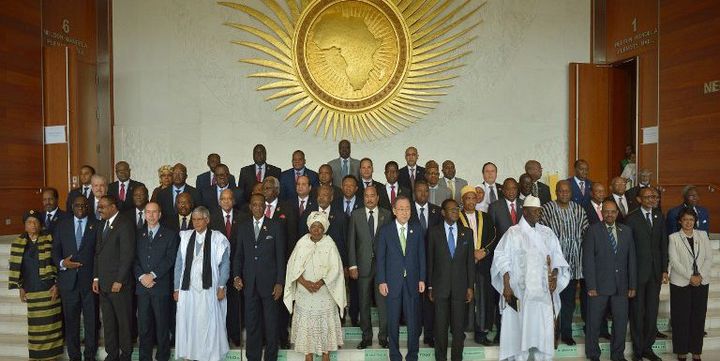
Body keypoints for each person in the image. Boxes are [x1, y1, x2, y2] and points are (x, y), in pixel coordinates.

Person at [490, 195, 570, 361]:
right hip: (520, 291)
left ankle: (543, 357)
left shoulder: (547, 232)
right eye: (534, 211)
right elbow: (501, 258)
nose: (537, 214)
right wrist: (506, 285)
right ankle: (520, 357)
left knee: (543, 327)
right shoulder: (513, 233)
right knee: (520, 329)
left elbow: (557, 257)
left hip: (542, 291)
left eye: (539, 211)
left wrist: (555, 276)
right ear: (524, 211)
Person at [284, 211, 346, 361]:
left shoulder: (330, 244)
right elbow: (292, 267)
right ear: (309, 228)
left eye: (319, 227)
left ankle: (326, 355)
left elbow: (336, 268)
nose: (316, 230)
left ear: (324, 228)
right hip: (305, 294)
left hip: (324, 293)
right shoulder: (302, 243)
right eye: (313, 226)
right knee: (308, 327)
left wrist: (320, 283)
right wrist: (305, 283)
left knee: (325, 325)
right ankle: (308, 355)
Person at [173, 206, 231, 361]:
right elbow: (179, 263)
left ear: (207, 220)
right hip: (188, 289)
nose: (197, 222)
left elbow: (225, 264)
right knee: (189, 322)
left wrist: (221, 286)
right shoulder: (185, 237)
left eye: (200, 219)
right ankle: (190, 355)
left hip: (209, 289)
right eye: (194, 219)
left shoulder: (218, 238)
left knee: (208, 323)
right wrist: (176, 288)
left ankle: (209, 356)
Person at [234, 193, 287, 361]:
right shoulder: (243, 227)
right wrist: (236, 276)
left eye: (260, 205)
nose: (257, 208)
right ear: (250, 207)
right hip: (249, 285)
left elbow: (281, 257)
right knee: (252, 325)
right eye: (254, 205)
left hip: (270, 285)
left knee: (271, 325)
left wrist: (280, 282)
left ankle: (271, 358)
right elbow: (238, 255)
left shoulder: (275, 226)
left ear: (265, 207)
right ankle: (253, 357)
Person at [584, 200, 637, 361]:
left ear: (617, 213)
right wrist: (591, 285)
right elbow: (588, 260)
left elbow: (631, 259)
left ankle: (617, 355)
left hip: (621, 286)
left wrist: (632, 284)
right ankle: (593, 354)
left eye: (613, 211)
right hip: (598, 286)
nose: (610, 214)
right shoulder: (593, 231)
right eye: (606, 211)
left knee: (620, 324)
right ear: (602, 213)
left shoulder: (626, 231)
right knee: (594, 323)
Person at [9, 210, 64, 361]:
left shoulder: (50, 239)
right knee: (36, 330)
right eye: (29, 222)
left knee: (51, 327)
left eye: (35, 222)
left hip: (49, 291)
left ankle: (52, 357)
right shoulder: (18, 243)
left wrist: (57, 284)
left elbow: (59, 264)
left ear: (41, 225)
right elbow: (17, 268)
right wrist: (20, 286)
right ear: (25, 226)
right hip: (32, 292)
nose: (32, 225)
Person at [376, 195, 426, 361]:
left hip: (412, 282)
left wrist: (422, 279)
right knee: (393, 321)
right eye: (401, 209)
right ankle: (395, 355)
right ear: (394, 210)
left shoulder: (417, 229)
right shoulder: (385, 230)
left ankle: (413, 355)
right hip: (392, 283)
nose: (405, 212)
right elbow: (380, 258)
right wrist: (382, 280)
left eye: (408, 209)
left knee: (413, 322)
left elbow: (421, 256)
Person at [540, 180, 589, 346]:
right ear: (556, 191)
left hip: (573, 264)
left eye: (567, 191)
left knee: (568, 302)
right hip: (552, 265)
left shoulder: (578, 209)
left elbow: (586, 233)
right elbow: (541, 234)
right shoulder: (547, 209)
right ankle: (551, 334)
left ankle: (566, 334)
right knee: (551, 301)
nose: (564, 194)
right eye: (561, 191)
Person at [52, 195, 99, 361]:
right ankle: (74, 356)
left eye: (84, 205)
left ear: (89, 207)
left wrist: (96, 278)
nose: (81, 208)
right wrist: (62, 263)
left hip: (89, 283)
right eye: (78, 205)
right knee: (71, 323)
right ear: (72, 207)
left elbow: (98, 254)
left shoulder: (97, 224)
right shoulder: (61, 225)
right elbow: (54, 251)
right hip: (68, 282)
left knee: (91, 322)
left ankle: (90, 356)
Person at [427, 198, 474, 361]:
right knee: (440, 328)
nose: (456, 211)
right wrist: (430, 287)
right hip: (440, 288)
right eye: (452, 209)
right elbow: (430, 261)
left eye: (457, 209)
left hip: (460, 288)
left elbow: (469, 263)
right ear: (443, 212)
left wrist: (470, 287)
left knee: (459, 328)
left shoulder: (467, 232)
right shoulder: (433, 232)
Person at [625, 187, 668, 361]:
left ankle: (648, 348)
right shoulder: (631, 219)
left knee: (652, 311)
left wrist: (665, 269)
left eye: (654, 197)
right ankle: (637, 350)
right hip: (637, 274)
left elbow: (663, 244)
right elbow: (628, 249)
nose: (652, 200)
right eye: (648, 197)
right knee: (637, 312)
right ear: (639, 199)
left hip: (655, 273)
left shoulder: (659, 216)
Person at [93, 195, 136, 361]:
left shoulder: (124, 224)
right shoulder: (102, 224)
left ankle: (125, 355)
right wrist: (96, 278)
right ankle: (112, 355)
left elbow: (127, 255)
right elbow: (98, 254)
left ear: (113, 207)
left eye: (102, 207)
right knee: (109, 323)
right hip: (103, 284)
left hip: (119, 285)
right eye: (99, 207)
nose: (99, 210)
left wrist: (119, 280)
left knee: (123, 323)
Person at [348, 185, 391, 349]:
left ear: (378, 198)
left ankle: (383, 337)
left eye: (372, 196)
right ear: (363, 197)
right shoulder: (356, 215)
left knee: (383, 303)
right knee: (364, 302)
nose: (369, 198)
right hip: (362, 265)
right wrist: (352, 265)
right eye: (366, 196)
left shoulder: (387, 215)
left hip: (382, 267)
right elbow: (351, 241)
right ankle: (366, 337)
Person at [135, 202, 177, 361]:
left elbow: (170, 259)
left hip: (160, 288)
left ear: (160, 214)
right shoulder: (138, 234)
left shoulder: (170, 234)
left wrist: (152, 275)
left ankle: (162, 357)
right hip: (142, 288)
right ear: (144, 215)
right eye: (148, 212)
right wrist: (141, 277)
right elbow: (133, 259)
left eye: (154, 212)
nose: (151, 215)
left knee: (162, 327)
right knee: (144, 328)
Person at [668, 209, 712, 361]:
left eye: (691, 220)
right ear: (680, 221)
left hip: (701, 281)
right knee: (681, 317)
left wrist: (700, 276)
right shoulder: (673, 237)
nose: (688, 222)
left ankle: (696, 350)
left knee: (698, 317)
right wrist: (690, 276)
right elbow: (674, 261)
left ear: (695, 221)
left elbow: (708, 258)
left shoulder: (703, 235)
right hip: (680, 283)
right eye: (685, 219)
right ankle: (681, 350)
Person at [457, 185, 497, 346]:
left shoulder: (485, 217)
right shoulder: (456, 217)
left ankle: (481, 332)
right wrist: (469, 255)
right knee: (462, 298)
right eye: (468, 198)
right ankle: (461, 331)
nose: (471, 201)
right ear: (462, 200)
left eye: (474, 198)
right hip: (462, 267)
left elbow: (494, 237)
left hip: (482, 265)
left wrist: (484, 252)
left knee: (482, 299)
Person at [209, 188, 246, 346]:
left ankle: (235, 336)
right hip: (217, 269)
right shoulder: (211, 217)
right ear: (219, 201)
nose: (226, 201)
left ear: (234, 201)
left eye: (229, 198)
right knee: (218, 302)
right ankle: (219, 335)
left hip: (239, 267)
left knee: (236, 303)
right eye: (223, 199)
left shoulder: (243, 217)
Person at [410, 179, 443, 347]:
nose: (422, 194)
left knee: (431, 300)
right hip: (413, 262)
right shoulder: (407, 211)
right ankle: (414, 334)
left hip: (433, 263)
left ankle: (429, 334)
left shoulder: (437, 211)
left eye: (425, 191)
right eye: (419, 191)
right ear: (414, 192)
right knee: (414, 299)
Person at [300, 185, 348, 266]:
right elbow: (302, 237)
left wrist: (346, 264)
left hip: (334, 262)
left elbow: (345, 242)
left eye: (325, 195)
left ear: (331, 198)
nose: (321, 198)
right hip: (312, 261)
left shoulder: (341, 216)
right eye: (319, 195)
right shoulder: (307, 214)